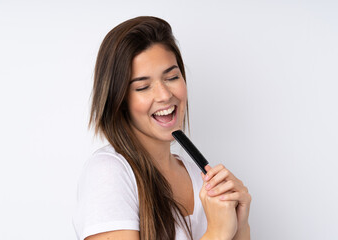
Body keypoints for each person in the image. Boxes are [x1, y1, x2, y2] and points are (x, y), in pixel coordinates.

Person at [73, 16, 251, 240]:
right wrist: (217, 232)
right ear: (119, 100)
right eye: (143, 87)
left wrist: (240, 226)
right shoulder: (108, 172)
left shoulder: (199, 176)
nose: (165, 95)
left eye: (172, 77)